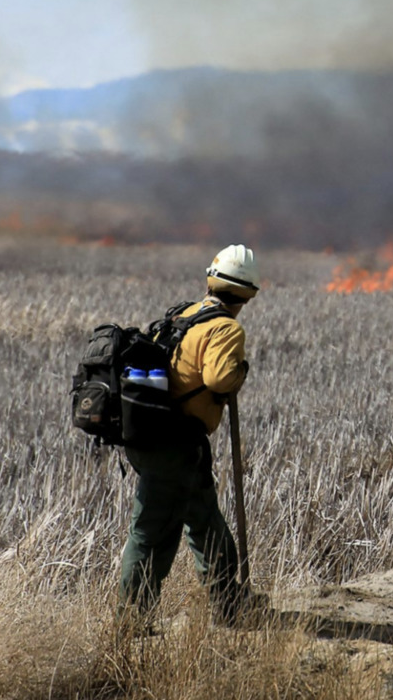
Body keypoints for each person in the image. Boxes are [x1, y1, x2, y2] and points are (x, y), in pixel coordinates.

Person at [118, 244, 261, 627]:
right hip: (174, 444)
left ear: (212, 280)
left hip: (155, 436)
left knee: (204, 519)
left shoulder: (185, 313)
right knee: (152, 535)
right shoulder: (225, 327)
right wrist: (240, 372)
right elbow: (219, 379)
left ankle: (229, 603)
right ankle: (129, 626)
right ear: (248, 294)